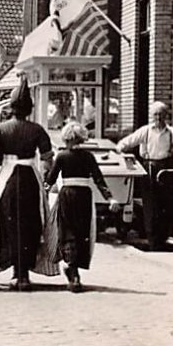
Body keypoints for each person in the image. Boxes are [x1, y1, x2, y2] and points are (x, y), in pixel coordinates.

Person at [0, 76, 58, 290]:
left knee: (8, 224)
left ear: (11, 107)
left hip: (8, 179)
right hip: (30, 180)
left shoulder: (0, 130)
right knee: (31, 224)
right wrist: (48, 181)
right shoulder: (37, 130)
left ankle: (15, 272)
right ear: (29, 108)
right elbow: (47, 160)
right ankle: (25, 273)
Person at [44, 122, 118, 292]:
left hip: (67, 195)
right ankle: (74, 271)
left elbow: (50, 179)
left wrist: (44, 191)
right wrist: (110, 198)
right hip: (84, 196)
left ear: (67, 138)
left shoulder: (61, 156)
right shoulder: (89, 157)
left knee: (68, 231)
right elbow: (99, 180)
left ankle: (72, 269)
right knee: (81, 232)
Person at [116, 101, 173, 251]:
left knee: (165, 205)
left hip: (166, 169)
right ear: (151, 116)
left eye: (161, 114)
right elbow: (124, 144)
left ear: (166, 116)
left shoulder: (172, 133)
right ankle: (153, 240)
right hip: (149, 169)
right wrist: (124, 156)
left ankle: (163, 239)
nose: (158, 118)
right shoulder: (145, 131)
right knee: (151, 207)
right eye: (155, 114)